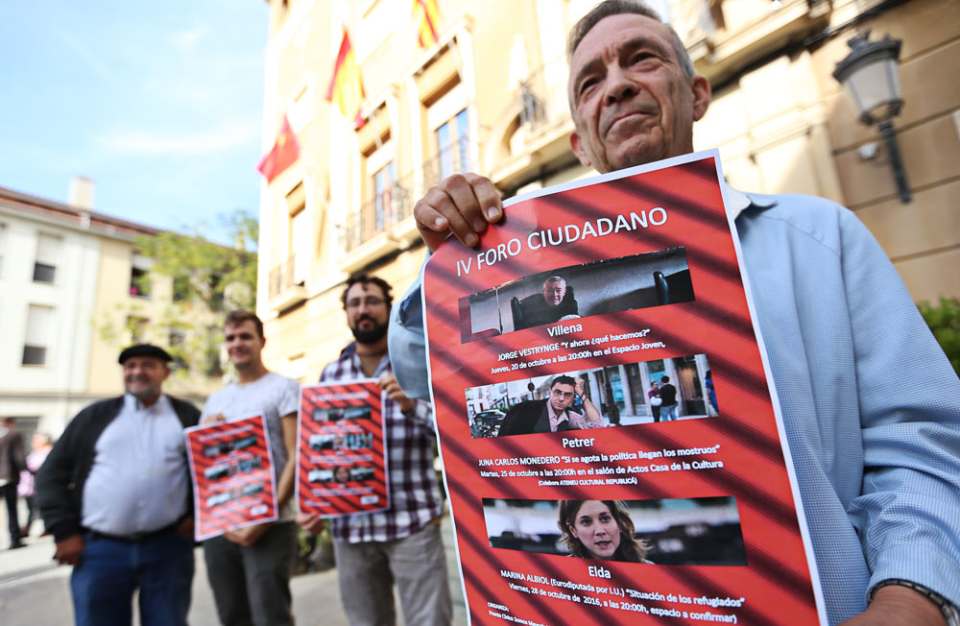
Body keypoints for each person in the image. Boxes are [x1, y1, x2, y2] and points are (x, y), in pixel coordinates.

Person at [388, 2, 960, 623]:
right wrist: (453, 269)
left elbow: (919, 441)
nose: (618, 85)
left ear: (698, 93)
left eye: (642, 58)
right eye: (591, 81)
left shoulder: (818, 238)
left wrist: (909, 595)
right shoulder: (524, 281)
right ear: (579, 139)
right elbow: (423, 375)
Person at [299, 273, 452, 626]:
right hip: (351, 527)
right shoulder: (331, 374)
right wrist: (314, 501)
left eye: (371, 301)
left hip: (411, 520)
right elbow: (319, 447)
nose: (363, 309)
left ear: (388, 307)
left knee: (430, 621)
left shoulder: (416, 363)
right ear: (347, 313)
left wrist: (413, 406)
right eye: (354, 303)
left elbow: (449, 430)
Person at [35, 344, 199, 626]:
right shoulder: (94, 416)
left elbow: (210, 472)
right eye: (130, 365)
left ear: (166, 372)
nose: (137, 371)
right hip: (99, 551)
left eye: (147, 365)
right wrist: (63, 531)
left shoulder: (186, 416)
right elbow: (51, 474)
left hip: (168, 550)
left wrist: (197, 515)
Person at [200, 310, 300, 626]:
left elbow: (295, 454)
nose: (237, 343)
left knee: (271, 615)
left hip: (271, 524)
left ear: (262, 342)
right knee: (231, 615)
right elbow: (208, 467)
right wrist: (207, 433)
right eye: (231, 338)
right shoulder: (215, 400)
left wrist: (268, 515)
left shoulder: (284, 388)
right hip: (223, 528)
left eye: (245, 336)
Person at [497, 375, 603, 436]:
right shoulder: (527, 409)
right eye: (557, 392)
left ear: (573, 398)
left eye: (567, 395)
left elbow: (596, 425)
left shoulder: (568, 416)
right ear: (549, 392)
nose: (561, 398)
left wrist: (581, 393)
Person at [558, 500, 650, 562]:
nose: (599, 531)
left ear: (619, 523)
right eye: (586, 522)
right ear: (573, 530)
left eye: (605, 519)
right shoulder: (561, 575)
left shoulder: (648, 571)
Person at [19, 432, 54, 538]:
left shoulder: (50, 453)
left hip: (42, 486)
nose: (33, 442)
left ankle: (48, 527)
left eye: (36, 439)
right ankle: (28, 528)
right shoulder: (35, 453)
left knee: (43, 507)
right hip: (29, 487)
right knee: (31, 509)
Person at [514, 276, 580, 330]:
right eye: (550, 290)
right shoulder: (531, 310)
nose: (554, 294)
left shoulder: (571, 305)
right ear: (543, 292)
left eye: (558, 290)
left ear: (564, 292)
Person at [0, 416, 26, 550]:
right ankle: (14, 538)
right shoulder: (13, 434)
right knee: (11, 510)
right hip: (7, 477)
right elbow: (19, 456)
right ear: (11, 423)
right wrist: (25, 469)